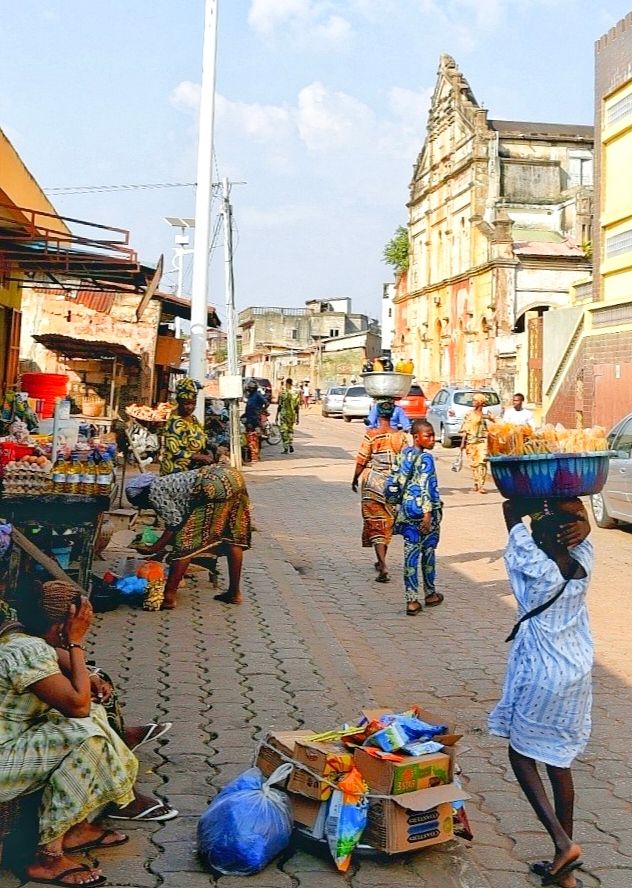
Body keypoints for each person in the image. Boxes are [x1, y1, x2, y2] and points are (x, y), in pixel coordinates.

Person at [0, 583, 175, 888]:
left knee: (92, 713)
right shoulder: (26, 649)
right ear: (62, 626)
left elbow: (50, 657)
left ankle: (78, 826)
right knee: (85, 733)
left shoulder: (24, 640)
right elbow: (77, 706)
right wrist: (77, 644)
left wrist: (88, 672)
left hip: (13, 742)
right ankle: (46, 858)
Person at [489, 498, 593, 888]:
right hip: (576, 674)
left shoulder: (533, 568)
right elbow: (577, 514)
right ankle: (563, 870)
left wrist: (533, 500)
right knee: (559, 761)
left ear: (540, 542)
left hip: (541, 675)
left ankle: (561, 841)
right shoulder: (584, 563)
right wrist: (580, 520)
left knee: (520, 754)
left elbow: (508, 508)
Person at [127, 465, 251, 610]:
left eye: (138, 503)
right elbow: (180, 521)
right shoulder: (168, 483)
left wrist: (153, 548)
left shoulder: (154, 491)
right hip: (232, 476)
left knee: (186, 544)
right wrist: (160, 553)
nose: (144, 507)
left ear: (142, 495)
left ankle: (168, 597)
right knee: (232, 537)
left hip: (212, 483)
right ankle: (234, 593)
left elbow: (174, 526)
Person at [385, 420, 444, 615]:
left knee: (410, 557)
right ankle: (430, 594)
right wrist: (427, 515)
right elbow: (427, 487)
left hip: (407, 511)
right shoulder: (427, 459)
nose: (432, 439)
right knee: (428, 554)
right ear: (416, 437)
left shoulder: (404, 453)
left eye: (433, 435)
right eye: (428, 435)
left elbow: (393, 480)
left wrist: (393, 505)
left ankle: (411, 600)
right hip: (425, 514)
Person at [351, 402, 407, 583]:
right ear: (392, 415)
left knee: (375, 523)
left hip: (372, 485)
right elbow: (406, 462)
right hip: (392, 487)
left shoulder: (371, 436)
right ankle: (381, 561)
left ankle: (382, 563)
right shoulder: (400, 437)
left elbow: (361, 460)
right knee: (387, 523)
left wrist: (354, 478)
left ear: (377, 414)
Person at [160, 378, 213, 476]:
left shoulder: (193, 419)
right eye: (186, 403)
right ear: (179, 402)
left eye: (193, 403)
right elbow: (175, 451)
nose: (190, 407)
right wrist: (199, 457)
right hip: (177, 473)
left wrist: (209, 451)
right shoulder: (175, 422)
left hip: (194, 470)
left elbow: (202, 439)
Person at [459, 393, 496, 494]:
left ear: (480, 402)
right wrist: (462, 443)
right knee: (474, 463)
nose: (473, 402)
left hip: (482, 441)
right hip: (471, 441)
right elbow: (465, 429)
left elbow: (495, 423)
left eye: (475, 401)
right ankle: (476, 483)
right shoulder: (469, 414)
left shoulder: (485, 415)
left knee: (482, 462)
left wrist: (491, 417)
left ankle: (482, 485)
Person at [243, 380, 267, 463]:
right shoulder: (250, 396)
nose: (248, 389)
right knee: (250, 437)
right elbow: (248, 407)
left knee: (256, 437)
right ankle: (252, 455)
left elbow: (266, 403)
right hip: (249, 417)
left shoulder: (257, 395)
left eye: (249, 388)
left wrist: (261, 410)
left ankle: (256, 455)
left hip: (255, 419)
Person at [276, 378, 300, 454]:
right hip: (292, 415)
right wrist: (297, 418)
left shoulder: (283, 393)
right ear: (292, 383)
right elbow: (297, 407)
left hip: (284, 414)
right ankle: (290, 444)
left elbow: (279, 406)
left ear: (286, 383)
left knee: (283, 430)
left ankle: (286, 448)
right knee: (290, 430)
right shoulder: (295, 393)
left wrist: (276, 416)